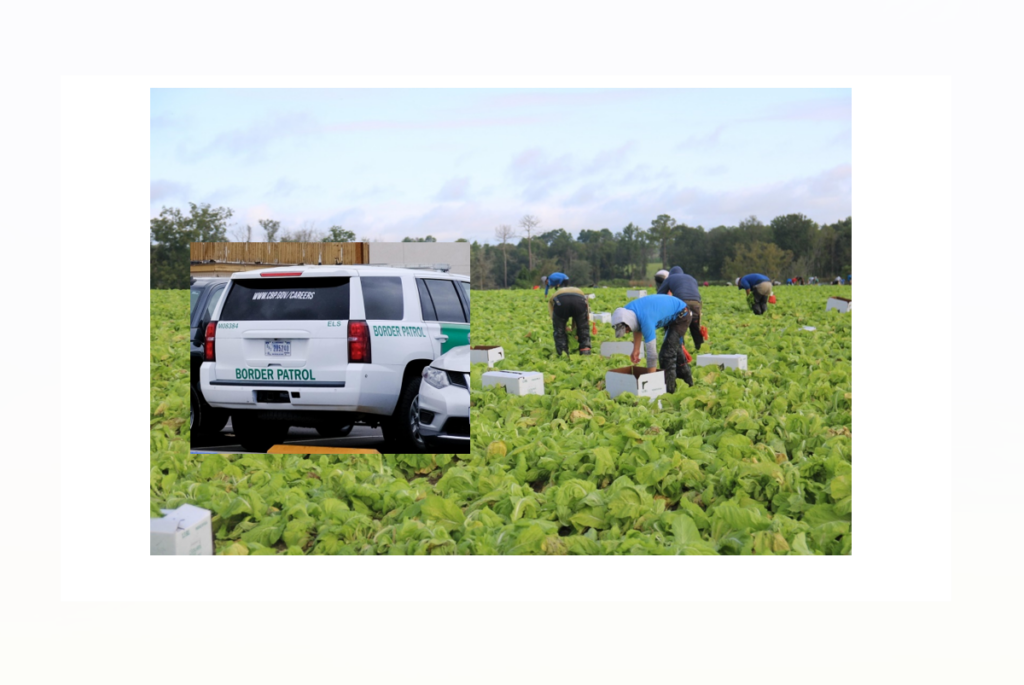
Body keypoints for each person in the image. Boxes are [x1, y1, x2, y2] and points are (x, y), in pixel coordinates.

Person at [610, 294, 693, 392]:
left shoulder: (646, 320)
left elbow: (652, 355)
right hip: (674, 314)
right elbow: (636, 326)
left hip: (682, 315)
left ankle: (669, 391)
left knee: (667, 354)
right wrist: (636, 349)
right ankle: (688, 384)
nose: (627, 332)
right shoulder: (627, 311)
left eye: (626, 329)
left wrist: (650, 382)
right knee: (675, 350)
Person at [657, 265, 704, 351]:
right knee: (695, 327)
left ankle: (680, 349)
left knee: (679, 326)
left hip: (682, 303)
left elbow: (660, 295)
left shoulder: (670, 278)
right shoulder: (691, 278)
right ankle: (700, 349)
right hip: (696, 303)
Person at [548, 285, 592, 356]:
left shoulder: (552, 299)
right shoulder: (582, 295)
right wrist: (575, 330)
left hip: (561, 301)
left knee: (559, 331)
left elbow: (555, 318)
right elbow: (580, 317)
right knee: (583, 329)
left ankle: (563, 353)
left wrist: (563, 326)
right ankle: (585, 351)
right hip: (579, 301)